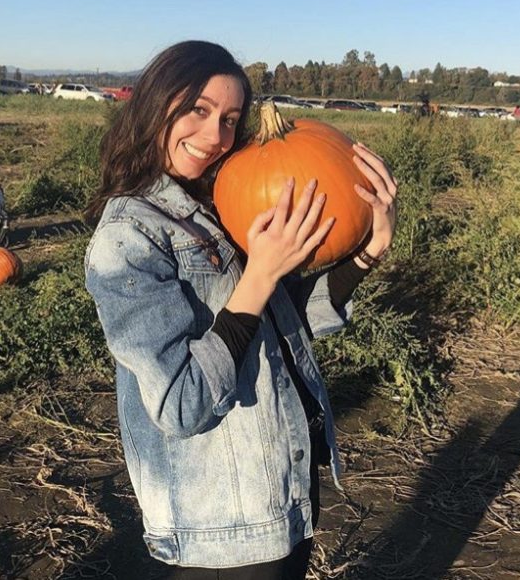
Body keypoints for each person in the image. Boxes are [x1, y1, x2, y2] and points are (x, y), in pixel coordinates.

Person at [84, 41, 397, 577]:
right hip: (220, 522)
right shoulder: (128, 236)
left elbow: (281, 326)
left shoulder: (218, 203)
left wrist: (367, 252)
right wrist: (259, 276)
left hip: (280, 488)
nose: (215, 137)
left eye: (229, 119)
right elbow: (181, 405)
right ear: (155, 104)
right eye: (197, 110)